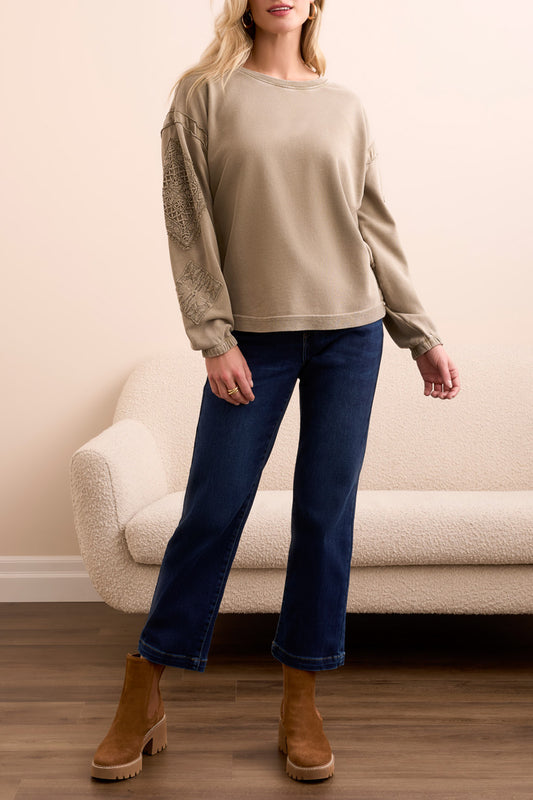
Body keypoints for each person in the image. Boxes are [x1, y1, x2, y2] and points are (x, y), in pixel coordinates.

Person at [90, 0, 460, 784]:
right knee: (213, 508)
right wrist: (212, 337)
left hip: (349, 335)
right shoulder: (204, 94)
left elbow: (374, 226)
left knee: (324, 518)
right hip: (249, 338)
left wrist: (417, 333)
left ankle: (301, 697)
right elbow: (185, 219)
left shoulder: (344, 107)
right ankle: (144, 687)